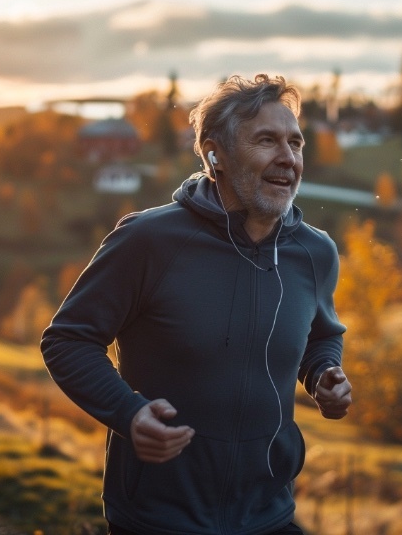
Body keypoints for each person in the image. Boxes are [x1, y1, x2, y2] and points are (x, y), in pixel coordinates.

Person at [41, 73, 352, 535]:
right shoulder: (148, 241)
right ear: (215, 155)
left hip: (268, 513)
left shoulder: (316, 253)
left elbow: (321, 333)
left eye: (296, 143)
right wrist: (128, 413)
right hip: (159, 516)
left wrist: (323, 373)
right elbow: (68, 340)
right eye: (266, 140)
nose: (287, 159)